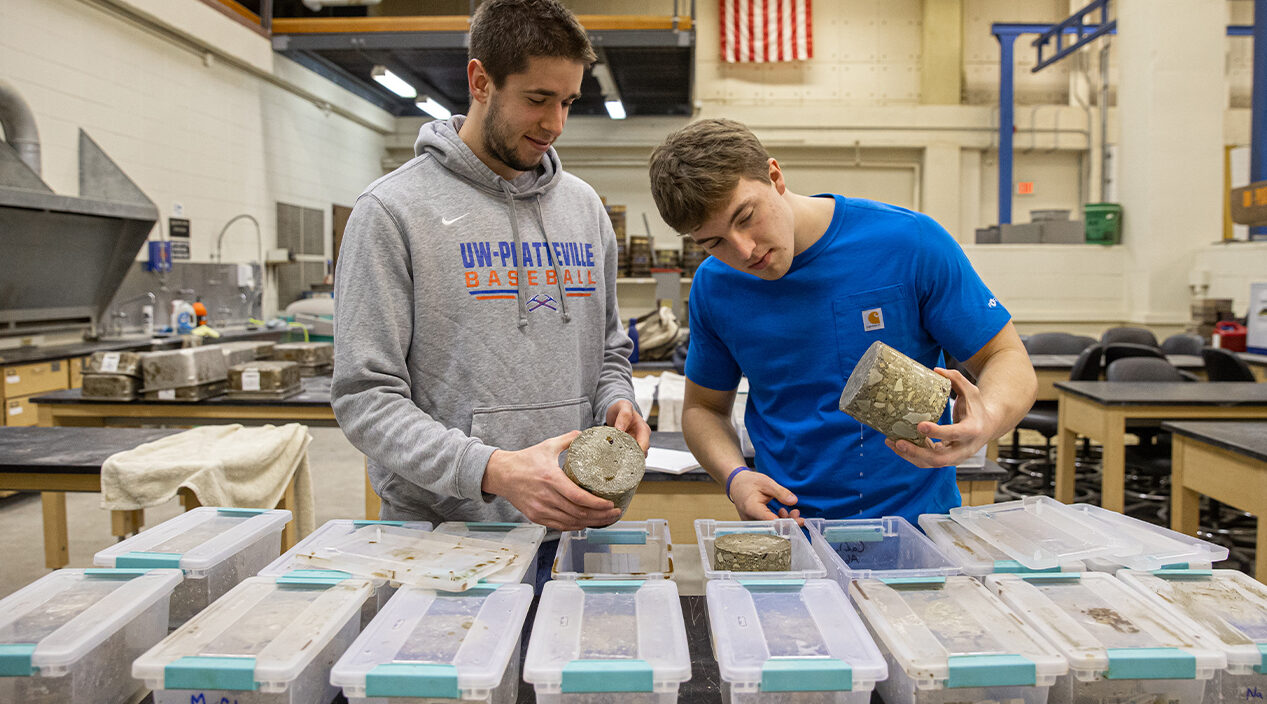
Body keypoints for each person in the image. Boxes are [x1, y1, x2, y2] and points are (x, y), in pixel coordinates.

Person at [332, 0, 650, 539]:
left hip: (569, 529)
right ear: (481, 81)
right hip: (443, 538)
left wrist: (617, 400)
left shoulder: (583, 208)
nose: (555, 124)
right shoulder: (391, 211)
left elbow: (608, 352)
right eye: (537, 99)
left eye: (568, 101)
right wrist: (494, 470)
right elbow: (365, 398)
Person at [648, 118, 1036, 526]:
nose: (743, 250)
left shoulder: (909, 243)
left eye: (745, 217)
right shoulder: (715, 287)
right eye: (714, 242)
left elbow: (1006, 357)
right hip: (788, 530)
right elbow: (703, 409)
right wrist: (736, 477)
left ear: (775, 177)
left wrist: (986, 419)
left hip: (917, 528)